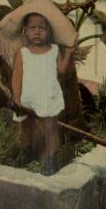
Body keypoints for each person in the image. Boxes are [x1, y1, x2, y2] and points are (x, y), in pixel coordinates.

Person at [11, 12, 76, 175]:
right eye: (33, 28)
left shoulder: (54, 50)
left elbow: (61, 71)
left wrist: (68, 54)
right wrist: (16, 98)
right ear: (25, 31)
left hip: (47, 97)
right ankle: (26, 152)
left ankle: (52, 158)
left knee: (50, 129)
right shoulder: (22, 53)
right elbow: (17, 77)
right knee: (25, 127)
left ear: (49, 31)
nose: (37, 31)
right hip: (27, 97)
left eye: (42, 27)